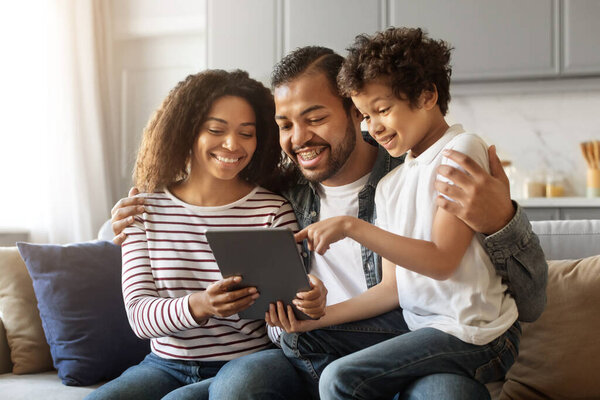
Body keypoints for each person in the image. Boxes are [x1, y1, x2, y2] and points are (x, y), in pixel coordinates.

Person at [111, 48, 547, 399]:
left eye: (315, 118)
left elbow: (531, 303)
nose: (298, 138)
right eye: (285, 125)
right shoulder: (284, 192)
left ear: (356, 113)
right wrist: (122, 217)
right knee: (239, 384)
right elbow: (209, 197)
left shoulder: (423, 174)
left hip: (407, 346)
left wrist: (502, 221)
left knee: (445, 394)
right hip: (309, 349)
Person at [268, 27, 522, 400]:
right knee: (303, 341)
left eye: (382, 111)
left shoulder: (461, 150)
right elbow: (391, 290)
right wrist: (313, 321)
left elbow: (442, 261)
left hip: (477, 332)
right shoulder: (392, 184)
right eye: (368, 115)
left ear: (427, 95)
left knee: (341, 380)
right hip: (425, 330)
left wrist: (353, 227)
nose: (373, 127)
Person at [86, 70, 325, 400]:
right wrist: (202, 305)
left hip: (248, 361)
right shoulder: (142, 211)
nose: (232, 145)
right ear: (187, 132)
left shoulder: (272, 210)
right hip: (164, 364)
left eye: (247, 133)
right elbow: (140, 318)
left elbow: (276, 323)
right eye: (216, 130)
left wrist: (300, 308)